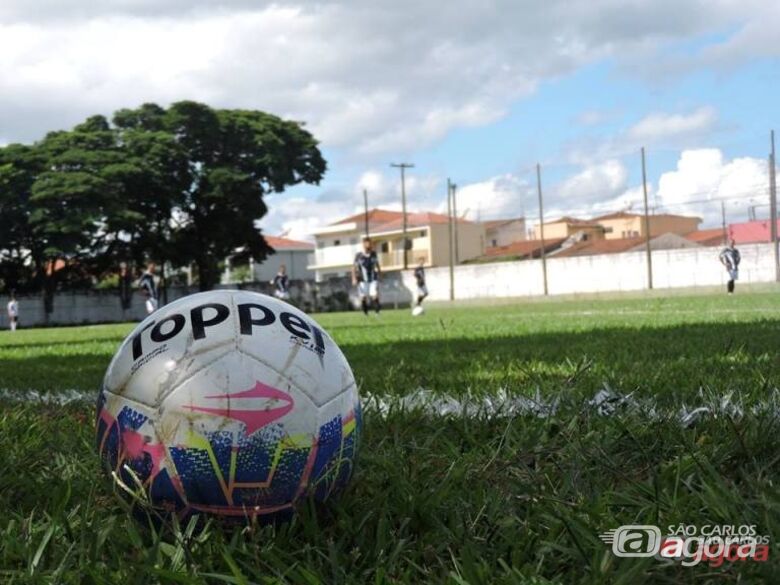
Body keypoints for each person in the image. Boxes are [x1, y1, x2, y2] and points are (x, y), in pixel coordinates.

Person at [352, 237, 381, 315]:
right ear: (364, 244)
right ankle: (366, 313)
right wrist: (354, 278)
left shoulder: (374, 254)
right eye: (368, 243)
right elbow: (354, 268)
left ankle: (377, 313)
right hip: (362, 279)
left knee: (375, 295)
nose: (370, 245)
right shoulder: (359, 255)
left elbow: (377, 264)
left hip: (373, 278)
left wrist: (380, 273)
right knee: (363, 297)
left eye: (370, 243)